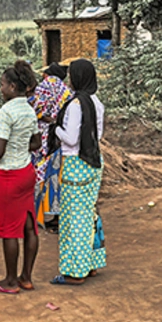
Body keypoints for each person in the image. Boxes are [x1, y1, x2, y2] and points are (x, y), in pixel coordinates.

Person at [0, 61, 41, 294]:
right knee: (29, 226)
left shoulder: (6, 112)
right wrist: (19, 147)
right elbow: (36, 143)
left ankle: (9, 281)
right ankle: (25, 277)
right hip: (27, 171)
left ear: (12, 86)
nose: (0, 89)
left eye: (2, 85)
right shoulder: (28, 108)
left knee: (9, 230)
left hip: (9, 175)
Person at [50, 59, 106, 285]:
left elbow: (71, 139)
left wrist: (56, 128)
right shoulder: (97, 102)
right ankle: (91, 264)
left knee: (74, 219)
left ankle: (76, 271)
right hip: (93, 162)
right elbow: (98, 136)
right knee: (89, 213)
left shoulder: (75, 105)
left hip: (74, 163)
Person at [30, 63, 71, 232]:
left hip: (41, 137)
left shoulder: (43, 87)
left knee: (38, 174)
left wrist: (43, 117)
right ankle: (56, 218)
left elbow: (34, 107)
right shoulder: (67, 91)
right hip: (58, 137)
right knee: (56, 178)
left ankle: (36, 215)